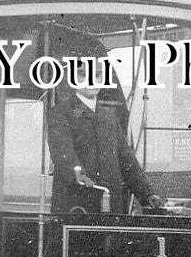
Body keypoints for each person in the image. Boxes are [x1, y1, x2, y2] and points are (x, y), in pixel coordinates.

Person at [46, 65, 165, 215]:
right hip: (76, 203)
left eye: (97, 75)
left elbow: (126, 158)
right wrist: (79, 175)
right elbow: (63, 152)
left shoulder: (109, 116)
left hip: (110, 205)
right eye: (83, 74)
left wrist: (147, 193)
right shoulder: (61, 113)